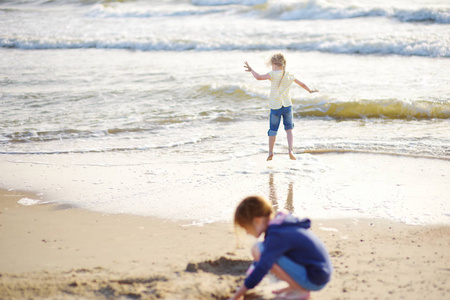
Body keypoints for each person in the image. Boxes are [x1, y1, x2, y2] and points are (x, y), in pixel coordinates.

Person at [231, 196, 332, 300]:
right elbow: (258, 264)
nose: (247, 232)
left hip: (314, 278)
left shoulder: (277, 235)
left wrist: (236, 296)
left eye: (245, 228)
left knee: (258, 250)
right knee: (263, 251)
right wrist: (246, 282)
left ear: (257, 221)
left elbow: (262, 266)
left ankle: (300, 291)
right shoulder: (280, 226)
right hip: (319, 273)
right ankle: (295, 287)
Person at [244, 53, 318, 161]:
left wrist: (251, 70)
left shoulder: (273, 74)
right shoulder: (289, 75)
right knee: (289, 130)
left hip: (275, 107)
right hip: (287, 106)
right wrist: (310, 90)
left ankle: (270, 153)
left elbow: (258, 77)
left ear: (274, 64)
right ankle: (290, 150)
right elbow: (302, 84)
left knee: (273, 131)